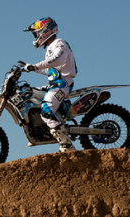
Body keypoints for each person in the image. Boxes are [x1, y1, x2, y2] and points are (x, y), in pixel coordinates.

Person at [22, 17, 77, 152]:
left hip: (63, 84)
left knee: (46, 109)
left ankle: (66, 145)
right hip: (54, 83)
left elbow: (57, 59)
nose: (35, 36)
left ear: (45, 31)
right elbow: (50, 69)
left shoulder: (59, 43)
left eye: (36, 33)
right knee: (27, 93)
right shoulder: (50, 48)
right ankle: (39, 133)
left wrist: (35, 65)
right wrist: (30, 68)